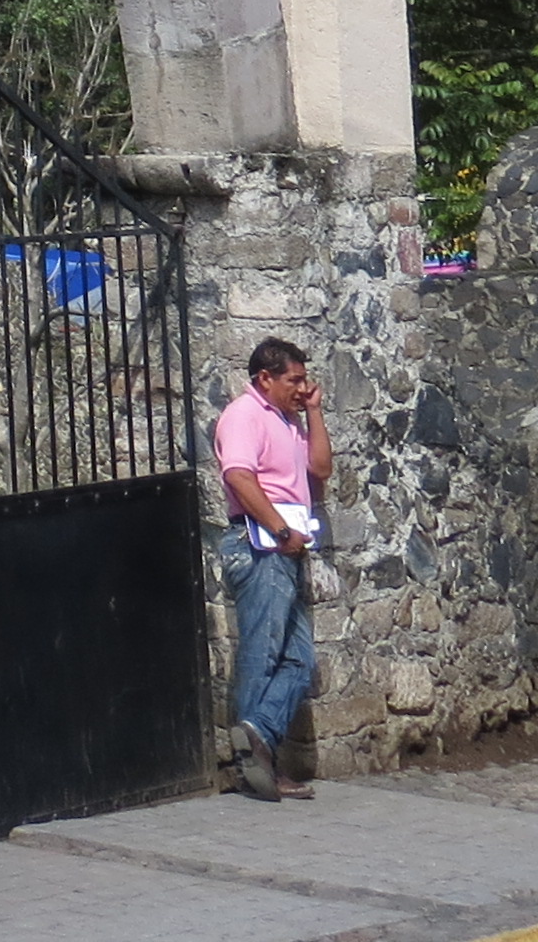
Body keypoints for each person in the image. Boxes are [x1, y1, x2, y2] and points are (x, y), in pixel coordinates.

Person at [214, 336, 329, 802]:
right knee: (262, 653)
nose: (302, 387)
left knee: (299, 659)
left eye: (304, 380)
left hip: (285, 548)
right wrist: (280, 531)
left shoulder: (288, 420)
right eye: (293, 380)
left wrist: (313, 412)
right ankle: (256, 767)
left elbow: (320, 468)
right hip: (260, 544)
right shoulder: (244, 415)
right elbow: (238, 476)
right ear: (265, 378)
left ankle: (258, 737)